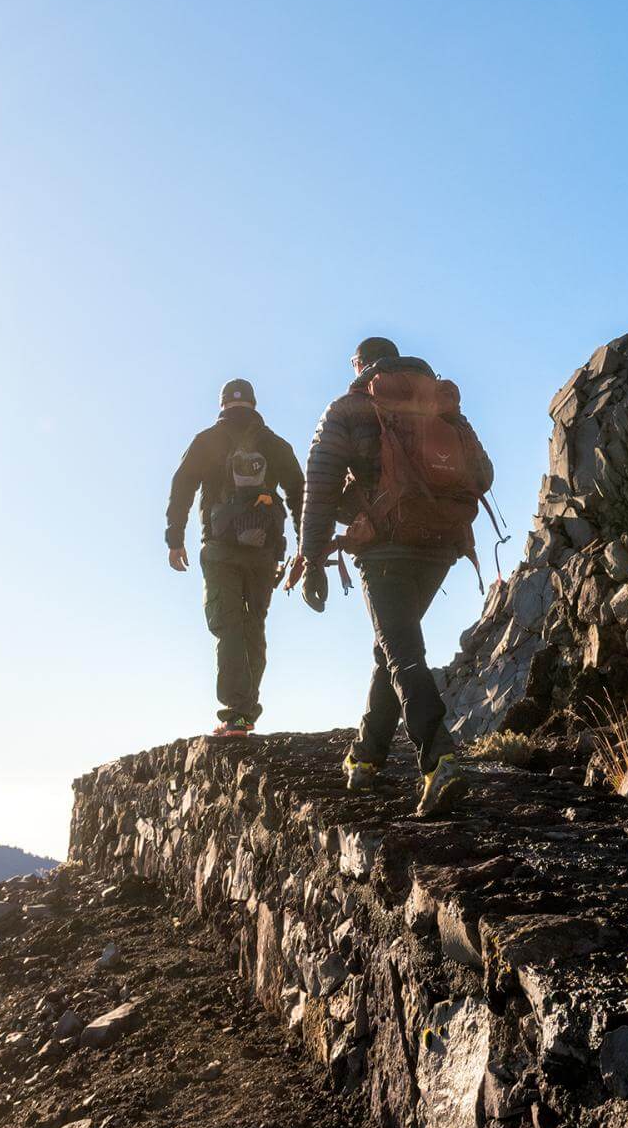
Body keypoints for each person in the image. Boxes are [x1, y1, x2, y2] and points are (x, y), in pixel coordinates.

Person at [295, 336, 493, 815]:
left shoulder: (347, 409)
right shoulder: (440, 404)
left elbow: (319, 488)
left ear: (361, 365)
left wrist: (313, 560)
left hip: (384, 547)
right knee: (392, 644)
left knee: (401, 649)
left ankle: (438, 757)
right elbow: (482, 474)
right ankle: (366, 757)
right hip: (441, 546)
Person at [166, 378, 304, 736]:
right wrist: (306, 544)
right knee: (253, 625)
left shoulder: (207, 441)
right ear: (254, 404)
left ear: (223, 404)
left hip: (221, 549)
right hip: (264, 552)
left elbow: (181, 486)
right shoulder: (274, 444)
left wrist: (175, 537)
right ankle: (246, 713)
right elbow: (299, 492)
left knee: (228, 627)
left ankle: (235, 716)